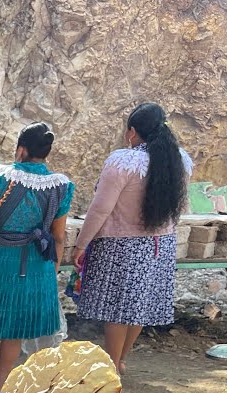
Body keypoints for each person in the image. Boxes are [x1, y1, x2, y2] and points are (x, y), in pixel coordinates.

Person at [0, 123, 75, 390]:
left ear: (20, 149)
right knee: (16, 328)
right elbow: (59, 235)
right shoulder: (61, 186)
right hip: (33, 264)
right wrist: (52, 268)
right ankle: (1, 385)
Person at [74, 102, 192, 372]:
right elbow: (179, 207)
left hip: (121, 244)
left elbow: (100, 208)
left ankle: (112, 363)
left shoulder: (124, 161)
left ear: (131, 132)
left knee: (118, 309)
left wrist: (81, 244)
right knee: (139, 304)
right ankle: (122, 358)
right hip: (160, 244)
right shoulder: (180, 161)